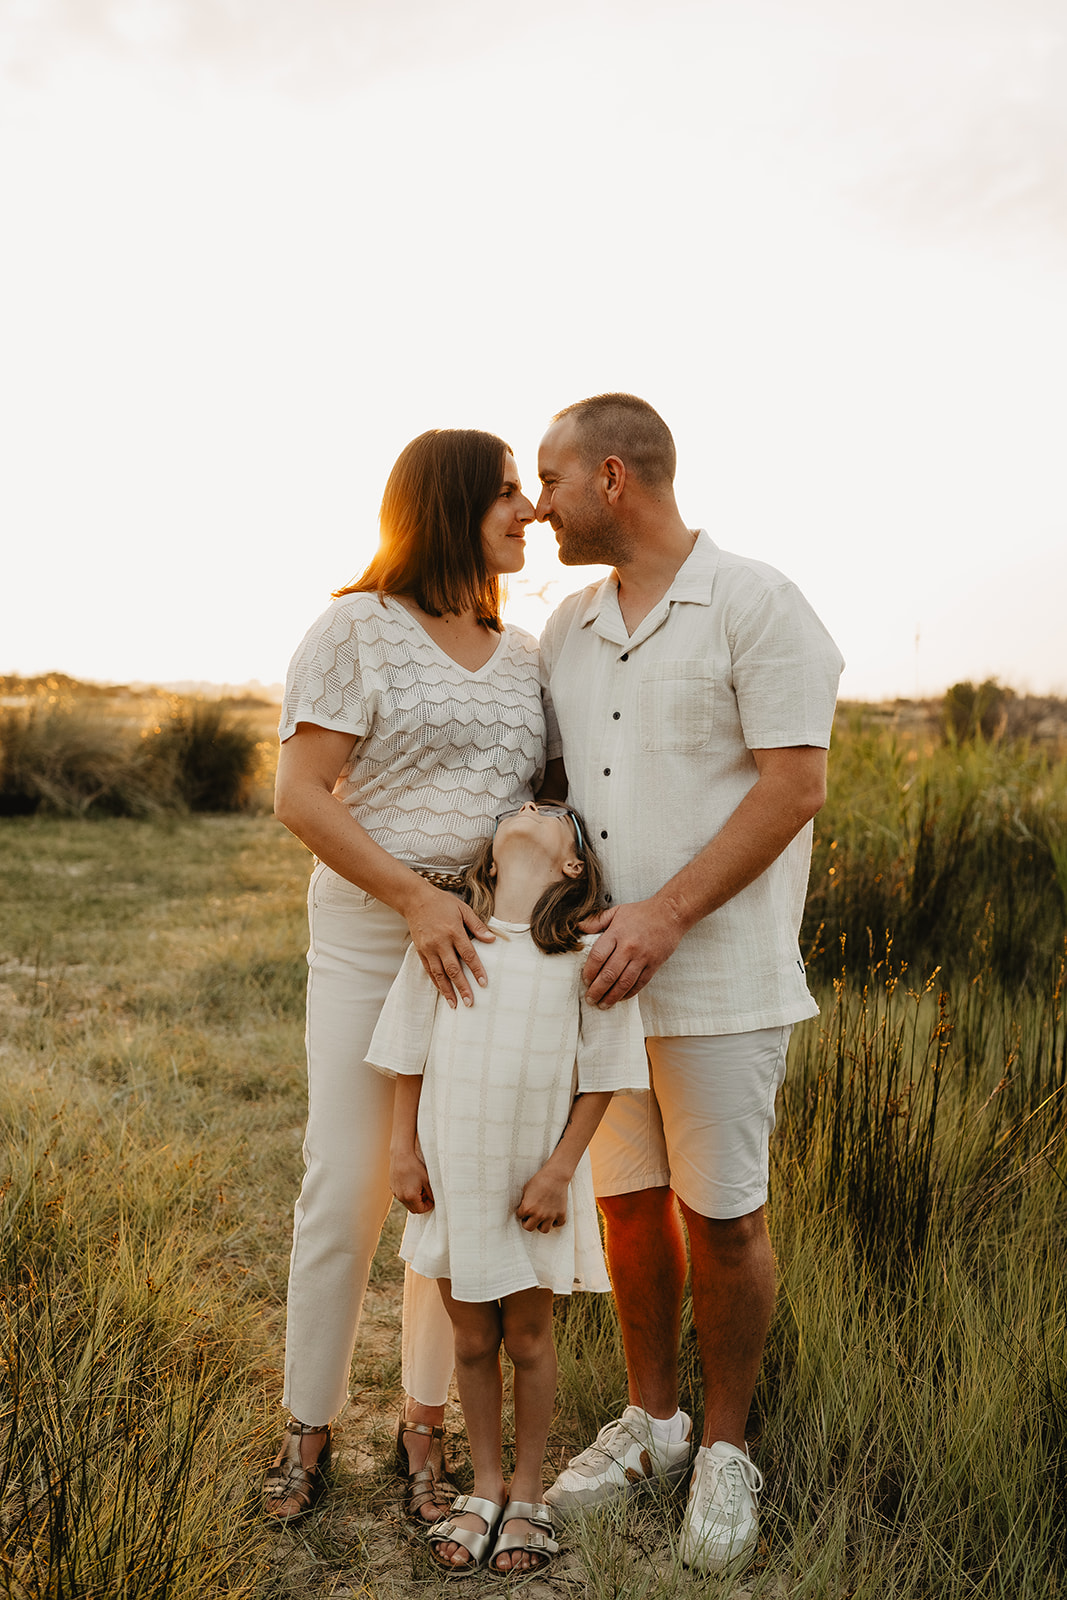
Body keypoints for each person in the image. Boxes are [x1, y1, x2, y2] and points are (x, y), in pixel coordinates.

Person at [534, 394, 844, 1575]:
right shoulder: (566, 624)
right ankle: (653, 1420)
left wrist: (665, 913)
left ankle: (725, 1448)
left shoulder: (757, 604)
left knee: (723, 1217)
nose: (542, 501)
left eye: (553, 477)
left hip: (718, 970)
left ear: (613, 476)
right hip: (601, 980)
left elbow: (791, 787)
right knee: (626, 1208)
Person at [264, 428, 551, 1527]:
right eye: (507, 495)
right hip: (373, 931)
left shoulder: (524, 654)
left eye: (528, 493)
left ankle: (423, 1422)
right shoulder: (355, 629)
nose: (527, 512)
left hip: (479, 947)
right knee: (344, 1181)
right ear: (447, 505)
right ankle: (307, 1423)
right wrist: (412, 898)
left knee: (452, 1181)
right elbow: (302, 795)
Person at [366, 802, 649, 1575]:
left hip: (533, 1180)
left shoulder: (585, 956)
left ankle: (526, 1495)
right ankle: (483, 1486)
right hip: (453, 1168)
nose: (529, 808)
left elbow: (605, 1077)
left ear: (573, 867)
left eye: (553, 812)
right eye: (516, 808)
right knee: (468, 1337)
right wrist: (402, 1151)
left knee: (525, 1338)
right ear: (487, 860)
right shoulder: (450, 935)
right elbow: (406, 1054)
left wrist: (561, 1171)